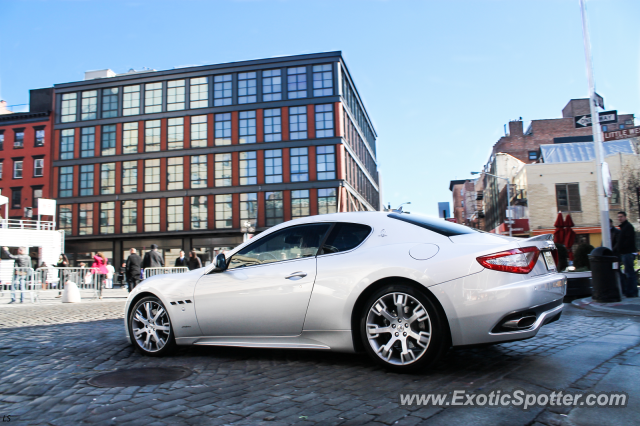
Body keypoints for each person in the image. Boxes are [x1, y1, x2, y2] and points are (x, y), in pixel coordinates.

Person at [614, 211, 638, 298]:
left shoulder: (628, 227)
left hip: (627, 253)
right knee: (628, 272)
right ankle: (630, 291)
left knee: (629, 273)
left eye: (621, 216)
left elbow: (628, 240)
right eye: (618, 217)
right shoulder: (624, 227)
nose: (619, 218)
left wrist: (621, 248)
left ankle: (632, 292)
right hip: (625, 253)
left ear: (625, 217)